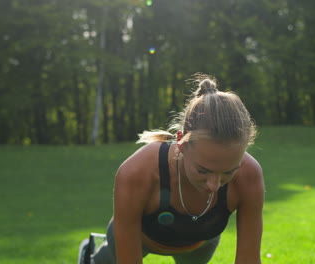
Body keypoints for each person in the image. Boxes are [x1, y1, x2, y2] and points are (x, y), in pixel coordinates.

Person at [78, 74, 265, 264]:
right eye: (203, 171)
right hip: (139, 236)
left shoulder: (249, 175)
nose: (214, 185)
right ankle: (91, 257)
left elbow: (249, 260)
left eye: (228, 172)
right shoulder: (137, 172)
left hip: (199, 243)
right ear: (181, 144)